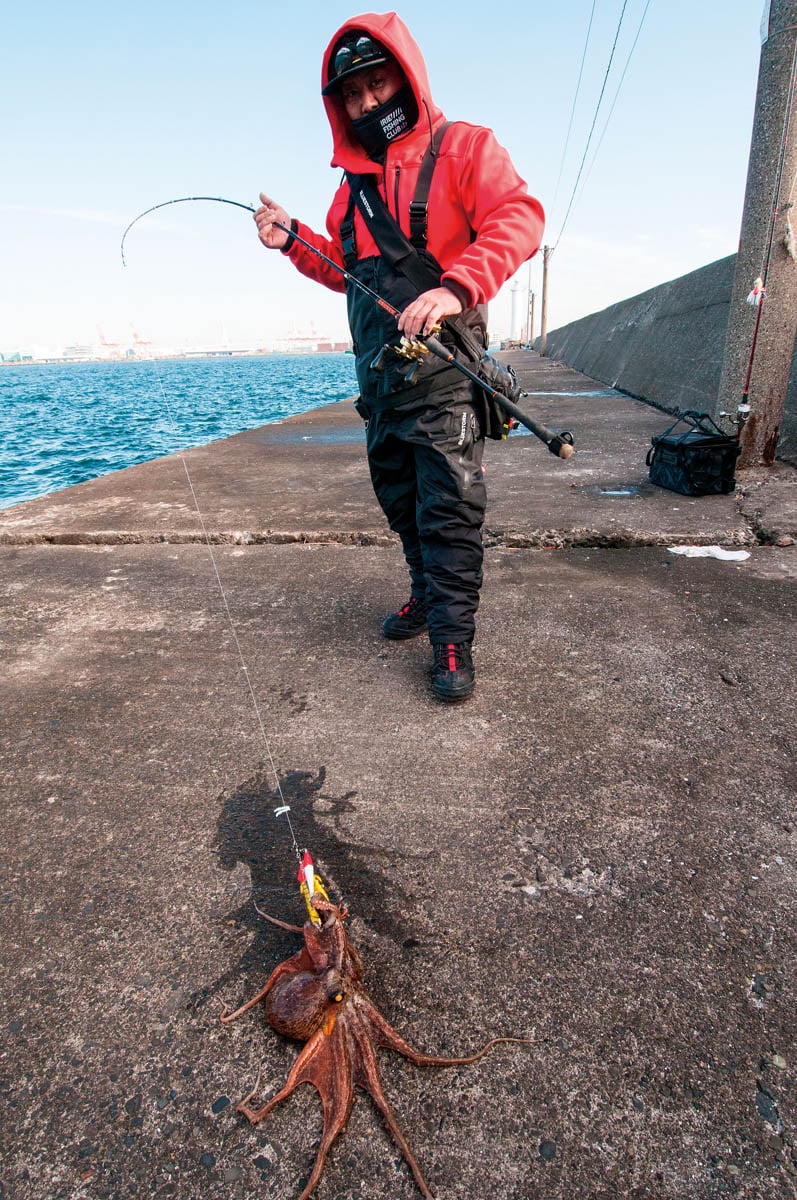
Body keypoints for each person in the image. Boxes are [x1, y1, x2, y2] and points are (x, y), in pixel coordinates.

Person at [255, 12, 544, 702]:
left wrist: (455, 288)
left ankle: (451, 638)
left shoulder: (466, 148)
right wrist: (294, 238)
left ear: (405, 81)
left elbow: (519, 218)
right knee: (400, 503)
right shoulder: (346, 194)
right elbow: (345, 271)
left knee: (449, 511)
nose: (365, 106)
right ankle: (423, 597)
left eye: (376, 87)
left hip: (447, 376)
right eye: (350, 97)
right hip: (380, 384)